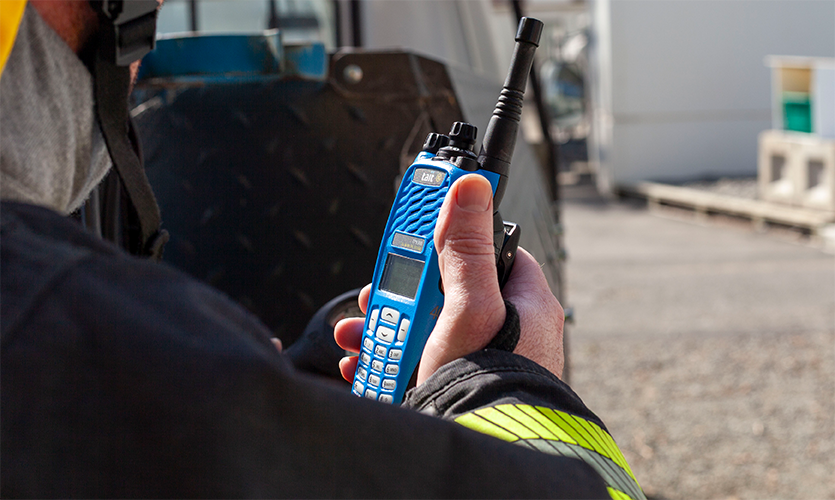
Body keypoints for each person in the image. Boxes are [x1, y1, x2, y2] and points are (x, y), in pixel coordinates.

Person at [0, 1, 645, 499]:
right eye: (147, 21)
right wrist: (504, 388)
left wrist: (278, 391)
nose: (138, 68)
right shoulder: (59, 332)